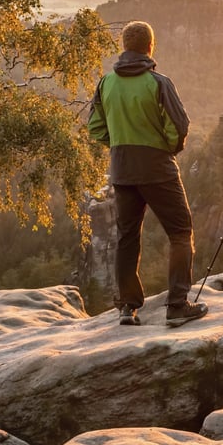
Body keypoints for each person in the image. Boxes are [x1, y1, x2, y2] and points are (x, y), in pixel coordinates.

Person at [88, 21, 208, 327]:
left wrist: (118, 147)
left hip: (122, 169)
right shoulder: (159, 82)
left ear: (125, 47)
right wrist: (165, 148)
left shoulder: (105, 84)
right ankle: (177, 305)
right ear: (150, 47)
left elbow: (96, 128)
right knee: (180, 233)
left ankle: (127, 307)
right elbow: (179, 125)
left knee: (127, 236)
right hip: (158, 168)